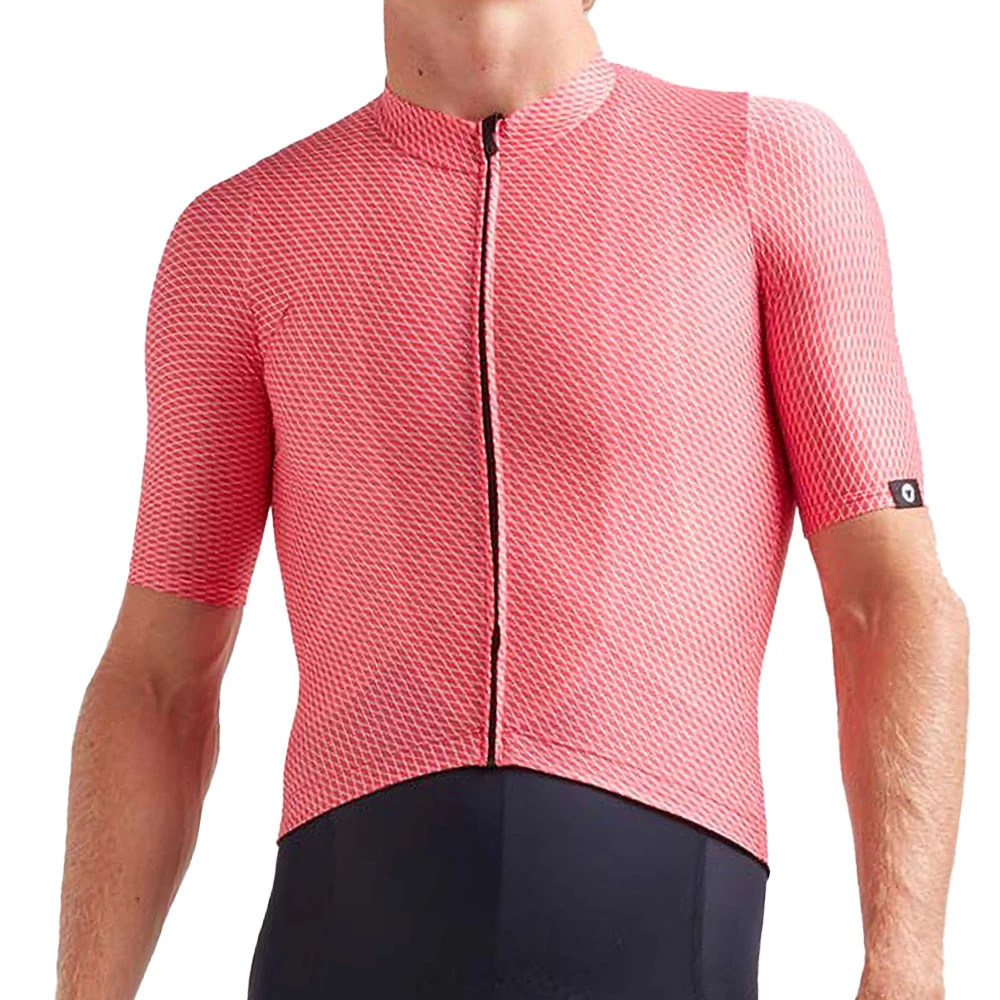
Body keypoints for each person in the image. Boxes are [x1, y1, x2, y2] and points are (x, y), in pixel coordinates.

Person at [56, 2, 970, 998]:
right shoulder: (239, 237)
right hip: (340, 932)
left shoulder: (761, 168)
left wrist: (906, 965)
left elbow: (890, 598)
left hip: (659, 926)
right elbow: (156, 680)